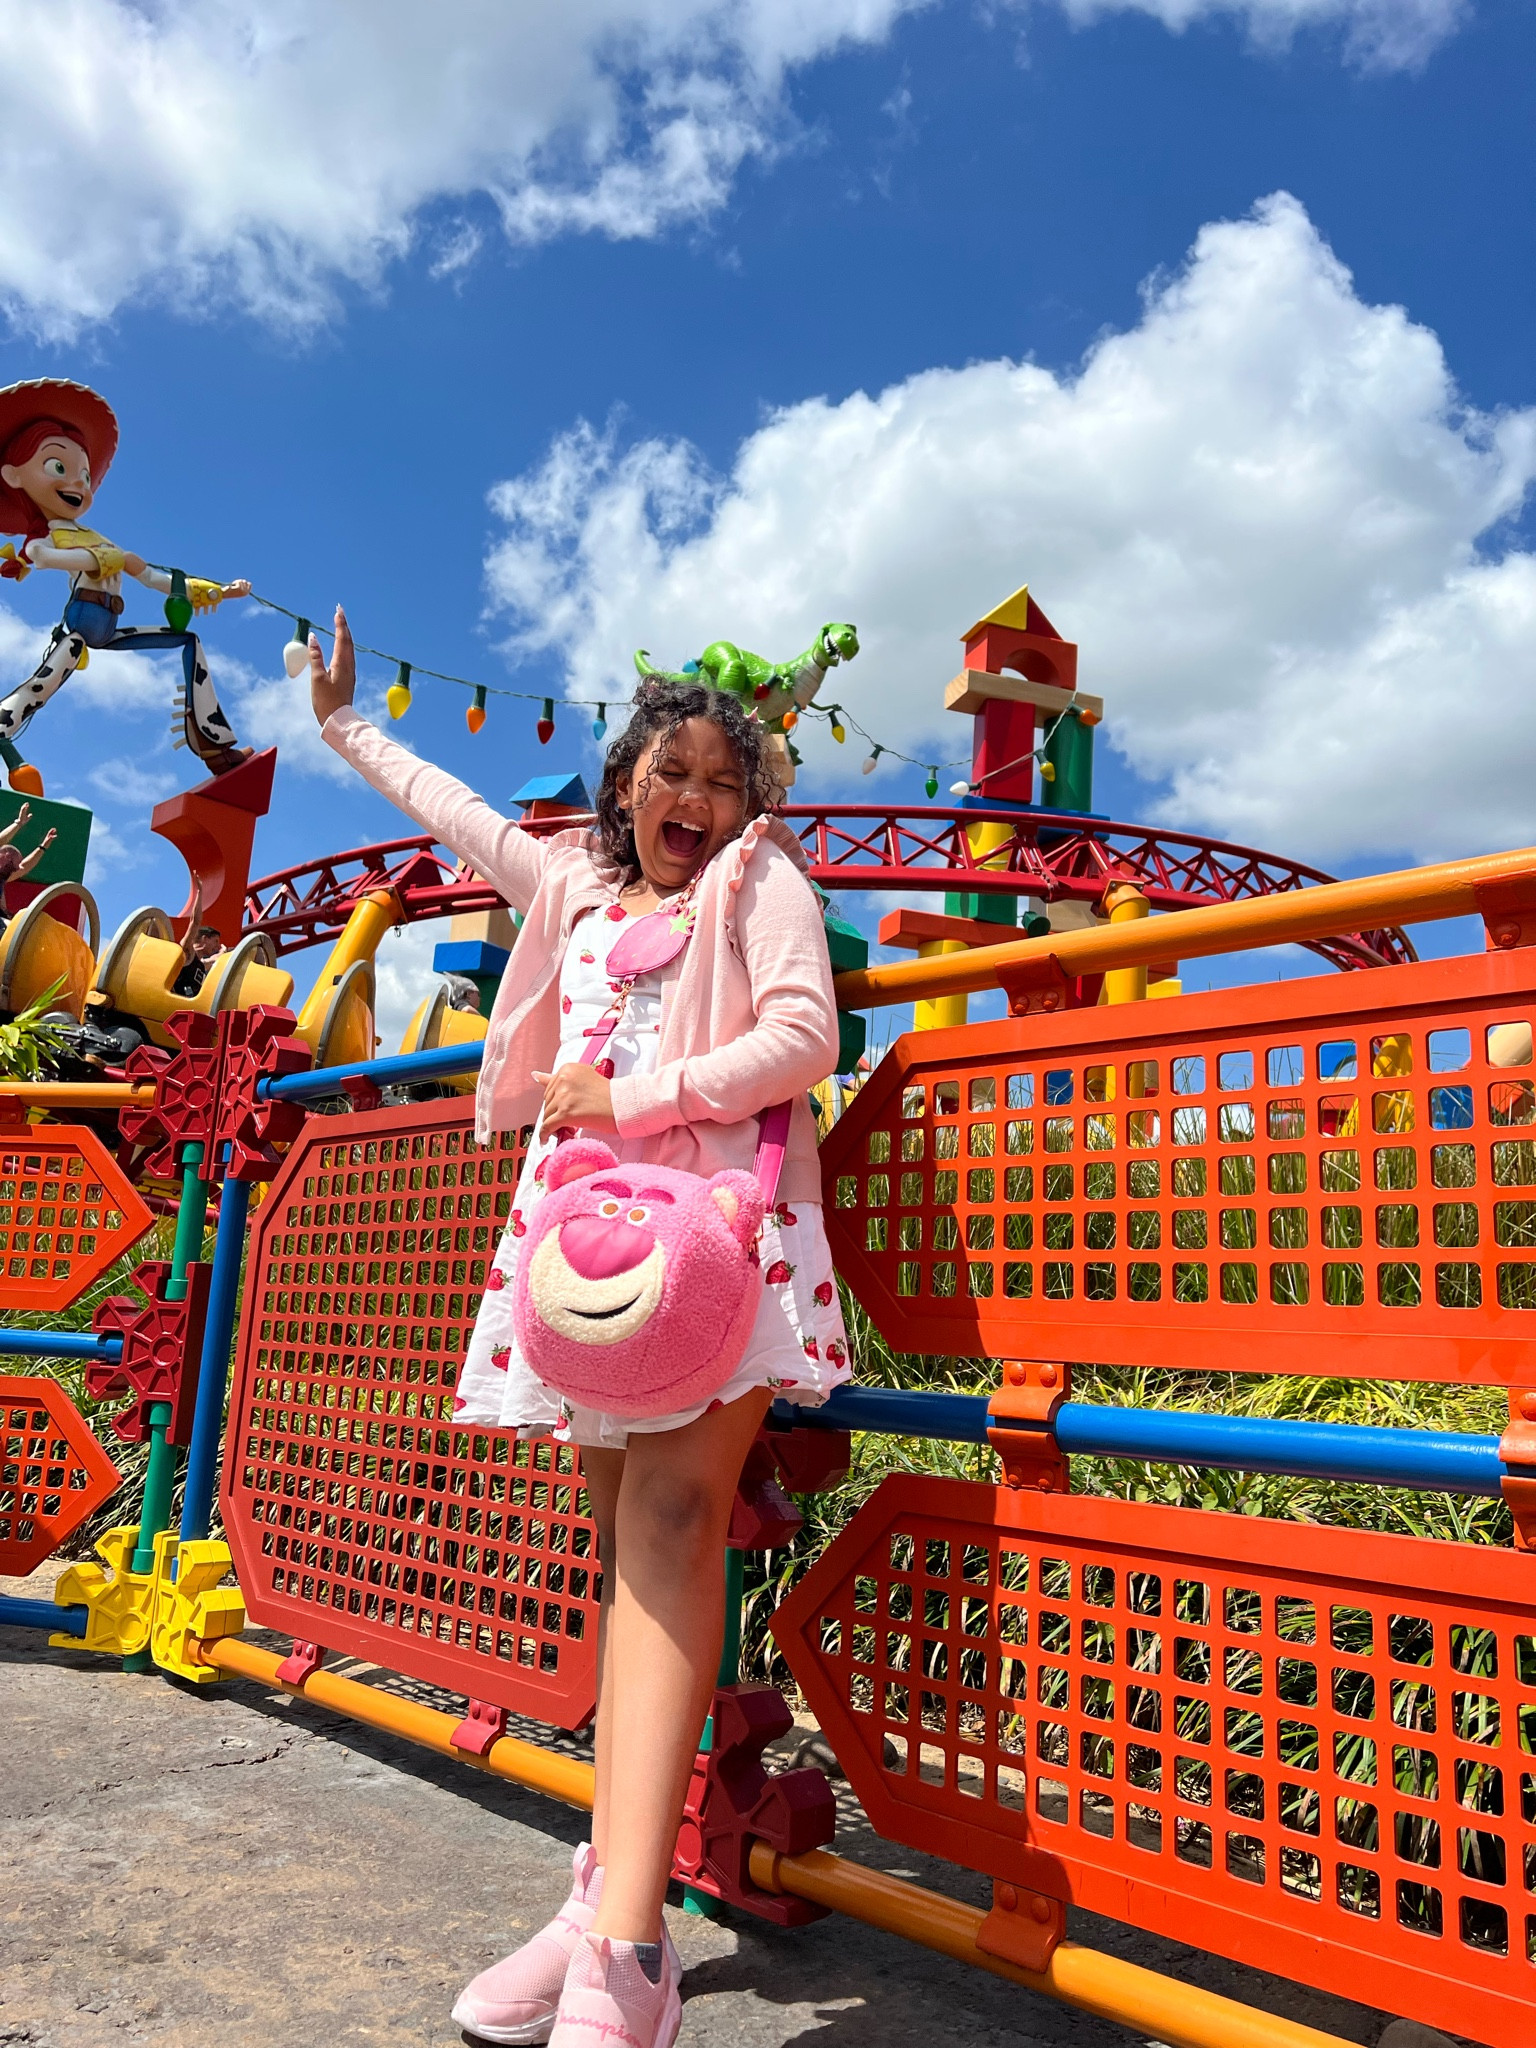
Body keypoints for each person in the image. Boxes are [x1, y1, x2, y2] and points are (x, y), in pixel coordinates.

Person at [309, 607, 850, 2048]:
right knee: (624, 1552)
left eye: (726, 780)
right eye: (674, 771)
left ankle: (627, 1953)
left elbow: (805, 1035)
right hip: (585, 1258)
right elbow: (456, 813)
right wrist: (343, 726)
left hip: (720, 1243)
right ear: (625, 784)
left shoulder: (758, 879)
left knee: (669, 1531)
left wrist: (635, 1097)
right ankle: (604, 1892)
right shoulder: (572, 882)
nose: (699, 799)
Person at [0, 378, 252, 788]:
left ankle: (214, 746)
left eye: (84, 475)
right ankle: (7, 748)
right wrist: (106, 560)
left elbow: (154, 579)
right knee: (35, 692)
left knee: (188, 641)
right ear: (13, 476)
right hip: (79, 628)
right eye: (59, 467)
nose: (78, 484)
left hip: (109, 629)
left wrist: (220, 591)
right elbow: (41, 558)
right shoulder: (52, 537)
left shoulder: (98, 540)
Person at [0, 801, 57, 915]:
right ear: (4, 857)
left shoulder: (3, 878)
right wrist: (18, 823)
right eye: (14, 864)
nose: (17, 868)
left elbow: (24, 867)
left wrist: (42, 847)